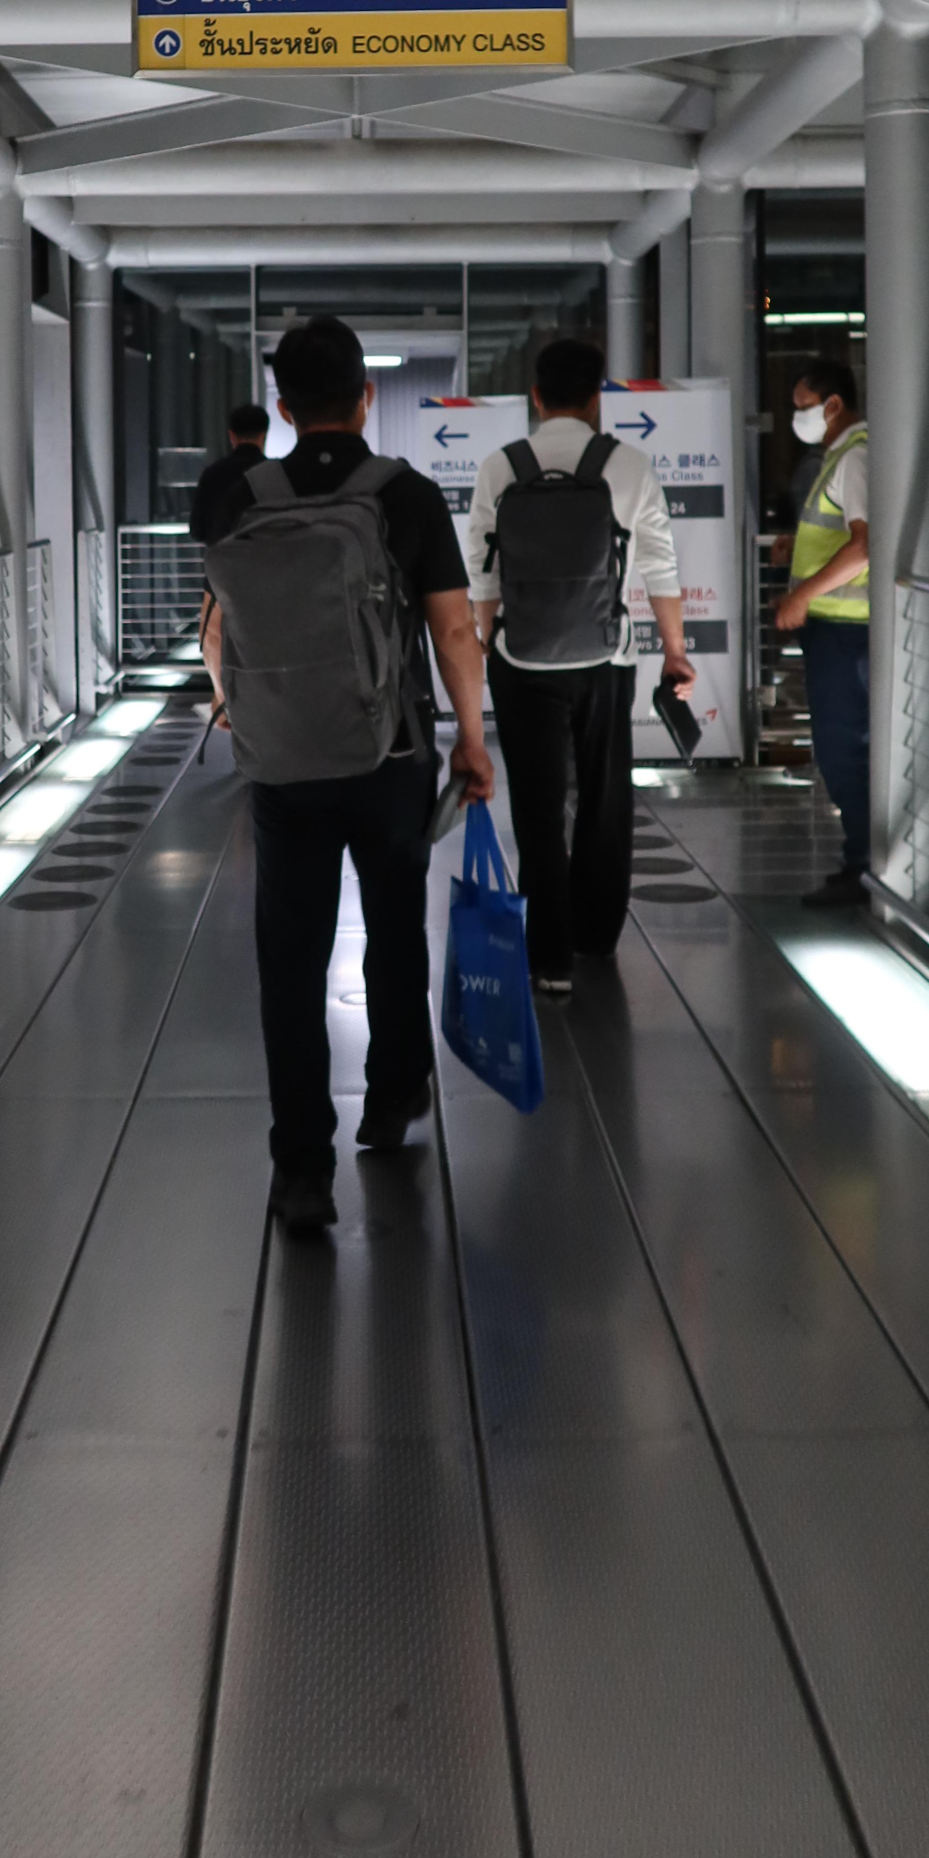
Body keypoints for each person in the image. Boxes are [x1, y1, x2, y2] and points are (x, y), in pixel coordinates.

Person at [201, 317, 494, 1235]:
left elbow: (217, 630)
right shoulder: (404, 495)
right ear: (365, 399)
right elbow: (453, 630)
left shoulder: (240, 496)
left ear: (284, 409)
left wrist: (239, 706)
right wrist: (472, 740)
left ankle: (301, 1169)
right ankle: (391, 1098)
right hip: (389, 756)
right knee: (395, 928)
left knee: (290, 958)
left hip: (282, 763)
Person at [465, 337, 693, 998]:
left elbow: (482, 571)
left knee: (536, 805)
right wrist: (674, 652)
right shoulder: (627, 465)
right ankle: (595, 934)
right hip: (606, 656)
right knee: (603, 794)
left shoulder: (501, 465)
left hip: (520, 656)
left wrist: (489, 643)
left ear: (535, 396)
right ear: (597, 398)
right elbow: (659, 564)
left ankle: (548, 958)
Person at [771, 359, 871, 910]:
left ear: (833, 404)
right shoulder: (840, 456)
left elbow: (864, 546)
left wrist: (802, 594)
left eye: (803, 406)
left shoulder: (855, 456)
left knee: (844, 752)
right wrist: (797, 550)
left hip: (847, 633)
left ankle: (866, 869)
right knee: (841, 751)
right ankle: (861, 864)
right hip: (838, 632)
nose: (798, 417)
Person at [187, 401, 270, 545]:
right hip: (268, 555)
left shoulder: (212, 474)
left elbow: (197, 531)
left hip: (223, 556)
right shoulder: (274, 473)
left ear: (231, 436)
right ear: (263, 435)